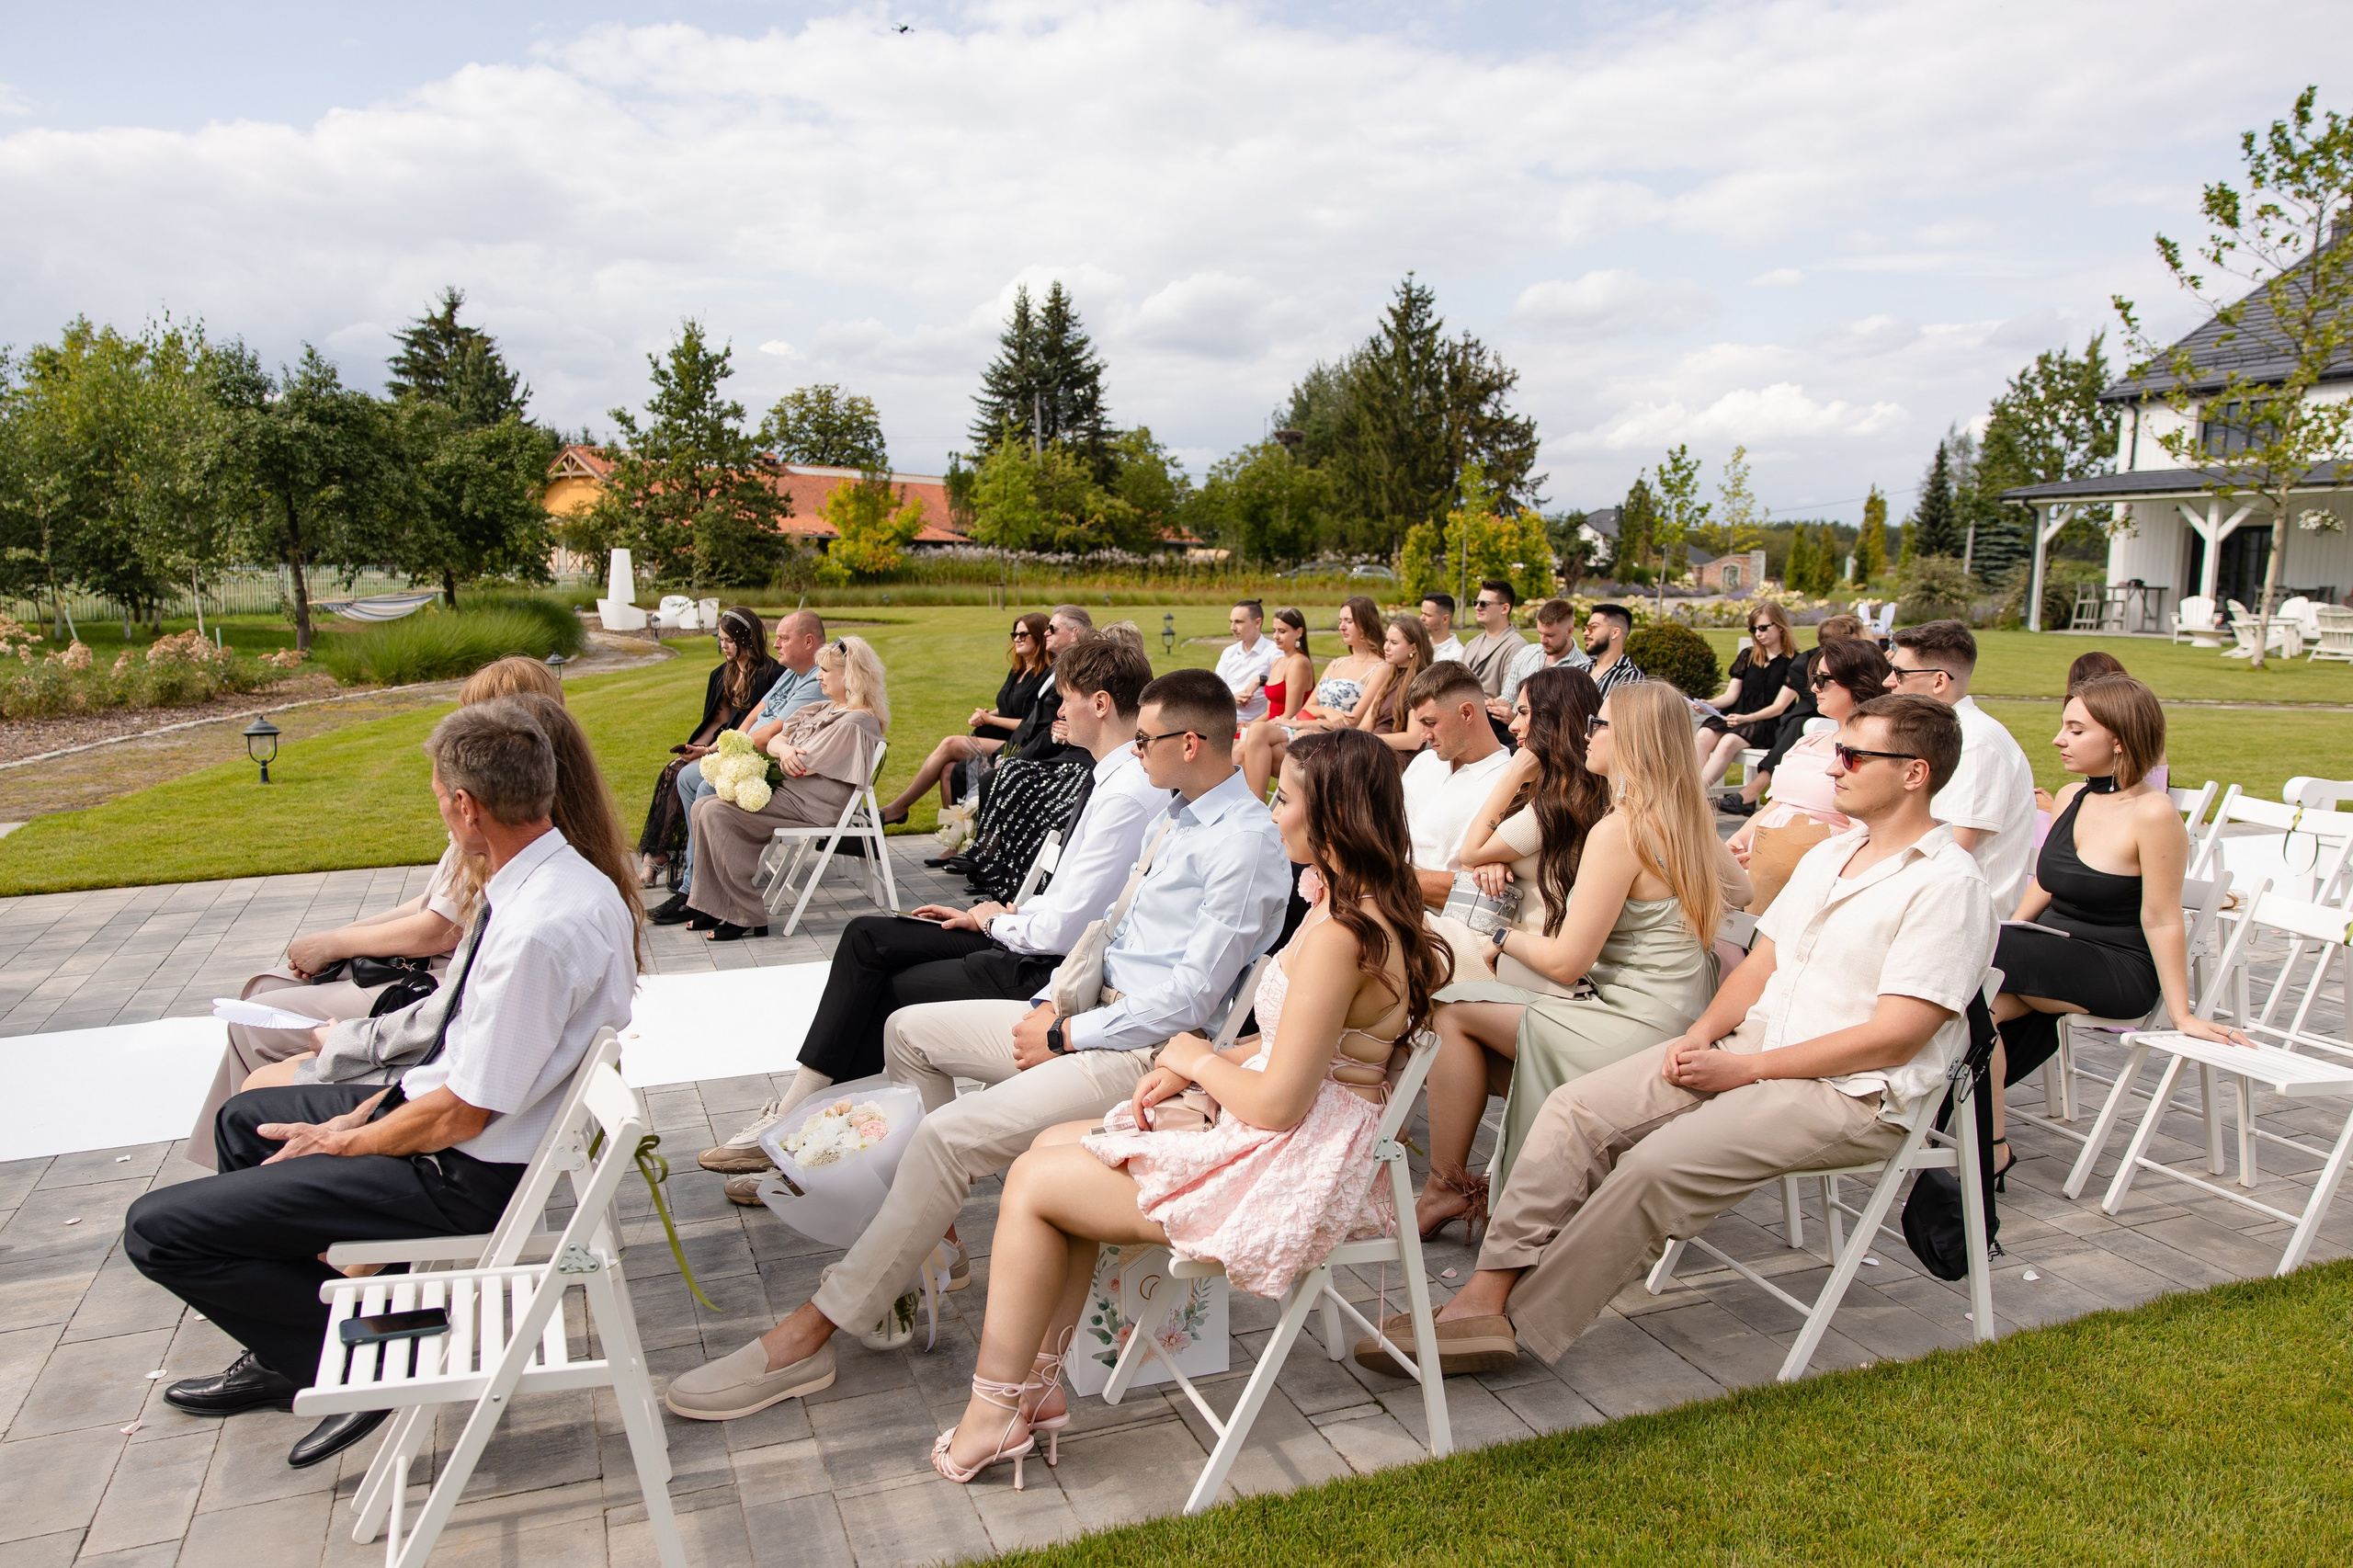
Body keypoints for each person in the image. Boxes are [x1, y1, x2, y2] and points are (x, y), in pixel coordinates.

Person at [662, 668, 1290, 1422]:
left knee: (950, 1139)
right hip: (1089, 1015)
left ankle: (816, 1330)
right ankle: (935, 1249)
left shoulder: (1244, 843)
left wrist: (1064, 1033)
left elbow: (1187, 1000)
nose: (1136, 752)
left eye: (1147, 740)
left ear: (1192, 744)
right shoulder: (1179, 814)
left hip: (1147, 1058)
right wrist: (1052, 1003)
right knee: (909, 1031)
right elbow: (1112, 937)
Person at [1371, 694, 1994, 1377]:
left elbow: (1898, 1038)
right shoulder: (1835, 854)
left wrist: (1745, 1071)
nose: (1833, 767)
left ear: (1915, 773)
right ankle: (1486, 1290)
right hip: (1748, 1053)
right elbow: (1760, 964)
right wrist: (1700, 1036)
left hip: (1850, 1093)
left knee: (1651, 1168)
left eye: (1851, 755)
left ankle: (1510, 1323)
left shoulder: (1946, 884)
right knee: (1574, 1109)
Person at [126, 698, 641, 1470]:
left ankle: (358, 1360)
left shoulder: (537, 927)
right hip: (460, 1131)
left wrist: (346, 1141)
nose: (441, 815)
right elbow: (459, 1058)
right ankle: (298, 1337)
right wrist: (368, 1105)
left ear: (467, 807)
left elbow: (464, 1113)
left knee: (155, 1229)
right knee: (245, 1123)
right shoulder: (562, 881)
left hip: (466, 1175)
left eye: (440, 801)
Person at [926, 728, 1449, 1486]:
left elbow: (1276, 1102)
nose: (1275, 815)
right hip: (1305, 1129)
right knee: (1050, 1149)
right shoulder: (1357, 911)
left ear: (1332, 817)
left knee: (1033, 1184)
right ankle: (1032, 1393)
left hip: (1295, 1159)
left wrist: (1192, 1054)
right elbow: (1295, 1047)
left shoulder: (1343, 935)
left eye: (1287, 798)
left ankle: (993, 1410)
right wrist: (1196, 1070)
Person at [694, 636, 1165, 1195]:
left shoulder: (1125, 793)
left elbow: (1068, 930)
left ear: (1101, 704)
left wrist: (994, 921)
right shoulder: (1113, 779)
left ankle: (812, 1150)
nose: (1057, 710)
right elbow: (1078, 902)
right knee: (868, 935)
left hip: (1050, 969)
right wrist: (997, 912)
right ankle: (802, 1132)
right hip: (1032, 938)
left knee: (890, 985)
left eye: (1064, 698)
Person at [186, 655, 565, 1167]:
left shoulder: (506, 845)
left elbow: (443, 953)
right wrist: (338, 939)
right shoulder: (528, 843)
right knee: (263, 995)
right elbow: (436, 910)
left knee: (256, 1031)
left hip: (428, 1009)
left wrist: (350, 1037)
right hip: (444, 1045)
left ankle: (256, 1169)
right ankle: (251, 1172)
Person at [1418, 681, 1751, 1234]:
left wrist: (1501, 939)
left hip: (1633, 1026)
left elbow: (1567, 962)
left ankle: (1454, 1189)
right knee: (1479, 1037)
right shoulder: (1682, 815)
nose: (1588, 733)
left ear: (1635, 741)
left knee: (1451, 1010)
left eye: (1602, 724)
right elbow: (1739, 895)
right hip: (1679, 1015)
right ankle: (1480, 1187)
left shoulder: (1620, 830)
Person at [1988, 676, 2247, 1174]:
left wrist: (2183, 1015)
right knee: (1971, 1013)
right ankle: (1989, 1146)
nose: (2058, 739)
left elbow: (2163, 917)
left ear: (2119, 740)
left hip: (2117, 968)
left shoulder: (2154, 813)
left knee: (1967, 948)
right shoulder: (2071, 796)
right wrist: (2009, 930)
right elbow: (2046, 883)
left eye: (2075, 729)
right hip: (2049, 953)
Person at [682, 636, 890, 941]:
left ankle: (743, 912)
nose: (818, 676)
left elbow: (800, 762)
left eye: (825, 671)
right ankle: (716, 905)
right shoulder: (827, 708)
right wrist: (784, 749)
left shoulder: (856, 721)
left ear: (849, 674)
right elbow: (777, 740)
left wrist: (785, 750)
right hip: (795, 792)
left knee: (714, 810)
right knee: (704, 806)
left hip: (812, 803)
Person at [651, 609, 827, 921]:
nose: (776, 644)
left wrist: (727, 755)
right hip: (750, 750)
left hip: (774, 763)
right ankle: (700, 877)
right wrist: (711, 748)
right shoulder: (791, 672)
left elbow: (774, 732)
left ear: (809, 641)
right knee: (686, 777)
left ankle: (696, 892)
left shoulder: (816, 679)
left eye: (784, 638)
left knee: (706, 784)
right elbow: (755, 715)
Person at [1723, 636, 1895, 909]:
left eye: (1824, 679)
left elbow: (1859, 832)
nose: (1814, 687)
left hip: (1809, 875)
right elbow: (1774, 806)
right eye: (1814, 678)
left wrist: (1773, 858)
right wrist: (1738, 841)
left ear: (1857, 681)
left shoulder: (1871, 753)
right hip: (1760, 863)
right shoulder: (1809, 742)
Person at [1882, 619, 2037, 914]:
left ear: (1939, 681)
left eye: (1899, 673)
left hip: (1964, 917)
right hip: (1932, 900)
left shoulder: (1976, 743)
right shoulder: (1950, 734)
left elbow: (1951, 852)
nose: (1888, 682)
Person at [1455, 666, 1608, 941]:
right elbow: (1475, 857)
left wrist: (1513, 774)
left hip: (1517, 947)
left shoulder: (1563, 801)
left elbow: (1470, 852)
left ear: (1555, 718)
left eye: (1524, 713)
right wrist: (1492, 861)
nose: (1513, 725)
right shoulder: (1563, 788)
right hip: (1504, 935)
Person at [636, 607, 781, 884]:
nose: (723, 645)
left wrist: (708, 753)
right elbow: (716, 721)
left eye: (728, 640)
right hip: (718, 747)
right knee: (675, 769)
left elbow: (758, 728)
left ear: (745, 639)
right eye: (720, 639)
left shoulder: (771, 675)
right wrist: (696, 751)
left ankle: (667, 859)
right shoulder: (722, 675)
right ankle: (658, 854)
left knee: (690, 778)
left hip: (746, 755)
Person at [879, 612, 1051, 824]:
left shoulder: (1046, 676)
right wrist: (987, 715)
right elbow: (1009, 707)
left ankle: (899, 807)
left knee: (951, 743)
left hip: (1018, 743)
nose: (1017, 638)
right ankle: (956, 840)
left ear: (1039, 636)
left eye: (1023, 634)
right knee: (948, 770)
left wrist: (990, 720)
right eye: (1014, 634)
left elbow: (1031, 722)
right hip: (998, 736)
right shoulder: (1019, 670)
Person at [1235, 595, 1384, 796]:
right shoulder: (1337, 663)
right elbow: (1309, 707)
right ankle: (1253, 810)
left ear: (1366, 623)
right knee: (1255, 733)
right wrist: (1328, 711)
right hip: (1306, 728)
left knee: (1245, 748)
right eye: (1340, 621)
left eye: (1348, 621)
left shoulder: (1379, 667)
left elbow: (1352, 720)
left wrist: (1306, 722)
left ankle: (1253, 812)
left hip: (1333, 740)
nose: (1341, 626)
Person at [1722, 612, 1864, 816]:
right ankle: (1752, 795)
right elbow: (1818, 701)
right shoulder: (1802, 665)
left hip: (1819, 723)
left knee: (1799, 726)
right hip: (1806, 722)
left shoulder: (1867, 661)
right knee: (1799, 725)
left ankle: (1750, 794)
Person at [1398, 663, 1513, 908]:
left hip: (1432, 922)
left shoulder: (1508, 781)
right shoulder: (1424, 761)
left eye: (1431, 722)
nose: (1423, 736)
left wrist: (1379, 875)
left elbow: (1473, 888)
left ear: (1467, 713)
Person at [1697, 603, 1795, 787]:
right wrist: (1709, 703)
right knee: (1703, 735)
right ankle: (1685, 789)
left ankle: (1695, 794)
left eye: (1763, 628)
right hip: (1738, 715)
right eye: (1754, 629)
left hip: (1768, 722)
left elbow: (1779, 707)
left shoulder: (1794, 662)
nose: (1758, 633)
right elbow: (1731, 696)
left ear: (1780, 626)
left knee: (1728, 741)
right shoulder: (1748, 655)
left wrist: (1747, 718)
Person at [997, 606, 1095, 762]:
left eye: (1052, 628)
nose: (1046, 633)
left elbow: (1053, 728)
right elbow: (1033, 721)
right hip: (1026, 746)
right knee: (960, 769)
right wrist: (1003, 755)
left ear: (1075, 633)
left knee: (965, 770)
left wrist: (1011, 760)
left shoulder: (1081, 674)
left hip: (1056, 755)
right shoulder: (1054, 671)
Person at [1235, 608, 1316, 795]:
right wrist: (1249, 725)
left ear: (1299, 632)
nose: (1276, 636)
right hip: (1270, 727)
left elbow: (1290, 713)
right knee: (1231, 748)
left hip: (1288, 730)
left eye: (1282, 631)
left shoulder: (1300, 663)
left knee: (1239, 753)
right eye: (1274, 631)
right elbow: (1269, 711)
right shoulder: (1277, 662)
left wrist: (1253, 729)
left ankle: (1254, 805)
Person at [1492, 598, 1592, 720]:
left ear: (1569, 631)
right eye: (1540, 633)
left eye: (1550, 635)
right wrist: (1496, 706)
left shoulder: (1583, 668)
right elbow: (1508, 696)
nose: (1543, 640)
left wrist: (1515, 720)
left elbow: (1566, 720)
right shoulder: (1526, 653)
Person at [1357, 613, 1435, 762]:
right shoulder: (1390, 677)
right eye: (1386, 641)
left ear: (1413, 648)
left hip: (1394, 759)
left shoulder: (1420, 684)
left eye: (1394, 642)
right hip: (1371, 749)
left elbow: (1413, 739)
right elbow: (1364, 726)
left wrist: (1367, 739)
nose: (1386, 647)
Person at [1460, 580, 1529, 699]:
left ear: (1505, 609)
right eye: (1476, 602)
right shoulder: (1472, 644)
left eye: (1484, 604)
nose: (1477, 607)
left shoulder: (1517, 647)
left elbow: (1510, 699)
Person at [1215, 600, 1281, 723]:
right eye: (1231, 622)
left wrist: (1260, 680)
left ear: (1257, 622)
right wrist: (1231, 699)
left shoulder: (1274, 652)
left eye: (1239, 622)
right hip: (1224, 720)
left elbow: (1285, 684)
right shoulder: (1229, 653)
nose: (1232, 628)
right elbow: (1215, 690)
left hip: (1258, 724)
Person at [1580, 602, 1646, 698]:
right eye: (1586, 627)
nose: (1586, 632)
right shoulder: (1581, 670)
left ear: (1615, 632)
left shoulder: (1631, 677)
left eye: (1593, 627)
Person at [1421, 593, 1465, 664]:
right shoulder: (1422, 645)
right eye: (1422, 613)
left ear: (1445, 619)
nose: (1422, 618)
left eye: (1428, 615)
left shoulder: (1457, 657)